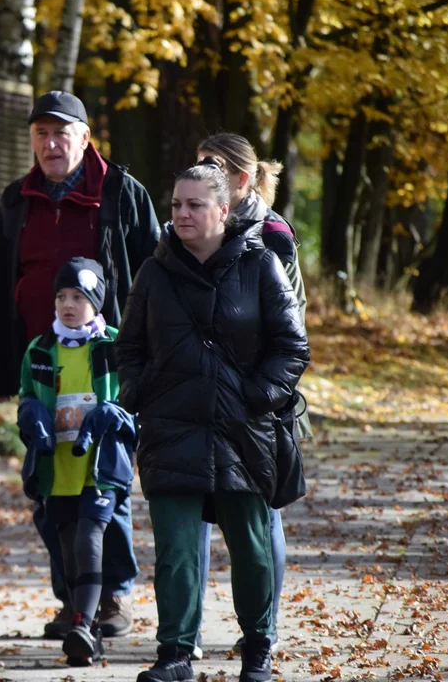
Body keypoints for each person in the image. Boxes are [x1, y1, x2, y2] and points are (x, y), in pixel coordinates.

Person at [115, 163, 309, 682]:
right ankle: (174, 654)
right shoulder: (153, 273)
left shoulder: (260, 265)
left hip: (242, 430)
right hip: (171, 428)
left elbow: (292, 347)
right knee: (176, 550)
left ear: (223, 211)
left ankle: (257, 651)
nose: (181, 213)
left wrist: (259, 396)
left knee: (250, 546)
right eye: (176, 204)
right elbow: (128, 347)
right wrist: (141, 393)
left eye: (194, 205)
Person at [0, 90, 160, 638]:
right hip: (42, 368)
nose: (51, 144)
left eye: (62, 133)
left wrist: (148, 363)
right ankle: (74, 600)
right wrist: (2, 369)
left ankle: (114, 597)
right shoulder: (16, 200)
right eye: (41, 134)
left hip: (107, 363)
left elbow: (153, 275)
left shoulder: (122, 193)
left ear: (85, 138)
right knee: (49, 490)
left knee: (106, 483)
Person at [191, 133, 309, 659]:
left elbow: (289, 326)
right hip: (196, 398)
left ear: (241, 179)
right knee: (190, 505)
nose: (199, 176)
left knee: (262, 514)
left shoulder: (272, 235)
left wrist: (263, 392)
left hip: (257, 401)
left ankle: (264, 626)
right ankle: (184, 629)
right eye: (196, 166)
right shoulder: (192, 225)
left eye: (211, 167)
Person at [16, 258, 136, 666]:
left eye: (79, 297)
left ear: (97, 302)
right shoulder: (39, 349)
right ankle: (89, 632)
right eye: (62, 296)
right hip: (57, 468)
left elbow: (137, 405)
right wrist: (31, 416)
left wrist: (114, 414)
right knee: (67, 549)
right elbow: (27, 397)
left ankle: (83, 625)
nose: (68, 305)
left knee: (89, 539)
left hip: (99, 467)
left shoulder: (115, 346)